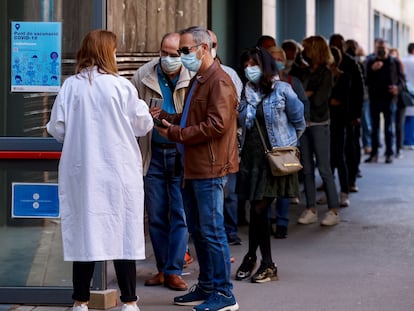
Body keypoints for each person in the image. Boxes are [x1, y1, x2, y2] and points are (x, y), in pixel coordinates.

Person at [46, 30, 153, 311]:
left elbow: (57, 129)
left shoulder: (71, 87)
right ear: (109, 52)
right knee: (123, 233)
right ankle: (129, 302)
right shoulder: (122, 87)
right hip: (118, 172)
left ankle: (80, 301)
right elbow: (142, 125)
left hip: (83, 174)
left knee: (85, 233)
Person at [154, 26, 239, 311]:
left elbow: (217, 124)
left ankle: (225, 294)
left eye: (186, 51)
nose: (181, 56)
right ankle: (207, 285)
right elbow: (191, 116)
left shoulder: (219, 81)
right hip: (193, 166)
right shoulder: (200, 79)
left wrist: (176, 133)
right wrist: (167, 117)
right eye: (179, 52)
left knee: (213, 231)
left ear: (204, 49)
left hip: (211, 168)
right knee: (199, 231)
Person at [235, 47, 305, 282]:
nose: (248, 69)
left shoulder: (283, 90)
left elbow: (299, 122)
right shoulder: (245, 93)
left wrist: (287, 146)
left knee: (259, 209)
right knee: (257, 211)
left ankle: (266, 263)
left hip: (274, 160)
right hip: (252, 158)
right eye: (245, 65)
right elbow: (241, 123)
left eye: (253, 65)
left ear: (264, 66)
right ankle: (252, 257)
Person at [130, 32, 191, 291]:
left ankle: (174, 270)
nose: (167, 58)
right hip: (152, 152)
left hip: (179, 152)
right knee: (155, 215)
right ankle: (163, 268)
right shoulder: (142, 75)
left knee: (179, 213)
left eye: (174, 54)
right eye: (164, 52)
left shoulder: (192, 76)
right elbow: (130, 112)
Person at [296, 35, 341, 226]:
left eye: (306, 48)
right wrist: (306, 94)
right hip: (304, 124)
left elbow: (319, 99)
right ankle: (311, 208)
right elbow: (297, 95)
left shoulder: (326, 72)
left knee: (324, 168)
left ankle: (333, 210)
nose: (302, 52)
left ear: (314, 50)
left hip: (319, 124)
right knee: (306, 169)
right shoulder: (305, 72)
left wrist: (306, 95)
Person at [267, 45, 309, 237]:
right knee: (265, 187)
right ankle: (266, 222)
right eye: (272, 58)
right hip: (266, 144)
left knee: (284, 186)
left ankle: (282, 222)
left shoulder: (293, 83)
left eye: (280, 58)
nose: (277, 62)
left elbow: (301, 114)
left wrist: (293, 139)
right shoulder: (258, 85)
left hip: (286, 145)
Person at [208, 29, 243, 245]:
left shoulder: (228, 75)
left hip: (227, 142)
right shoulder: (194, 76)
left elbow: (237, 108)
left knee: (228, 192)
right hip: (202, 147)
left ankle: (230, 231)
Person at [365, 39, 403, 164]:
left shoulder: (395, 62)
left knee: (388, 128)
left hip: (390, 99)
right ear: (375, 49)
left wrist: (397, 88)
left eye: (383, 48)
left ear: (387, 48)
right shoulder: (370, 61)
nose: (381, 50)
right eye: (379, 48)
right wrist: (371, 70)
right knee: (374, 128)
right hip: (375, 99)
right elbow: (365, 81)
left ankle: (389, 153)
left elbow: (402, 80)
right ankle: (374, 153)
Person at [402, 43, 414, 148]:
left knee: (404, 117)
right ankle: (409, 141)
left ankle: (405, 140)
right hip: (412, 92)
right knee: (411, 117)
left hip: (403, 92)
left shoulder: (402, 60)